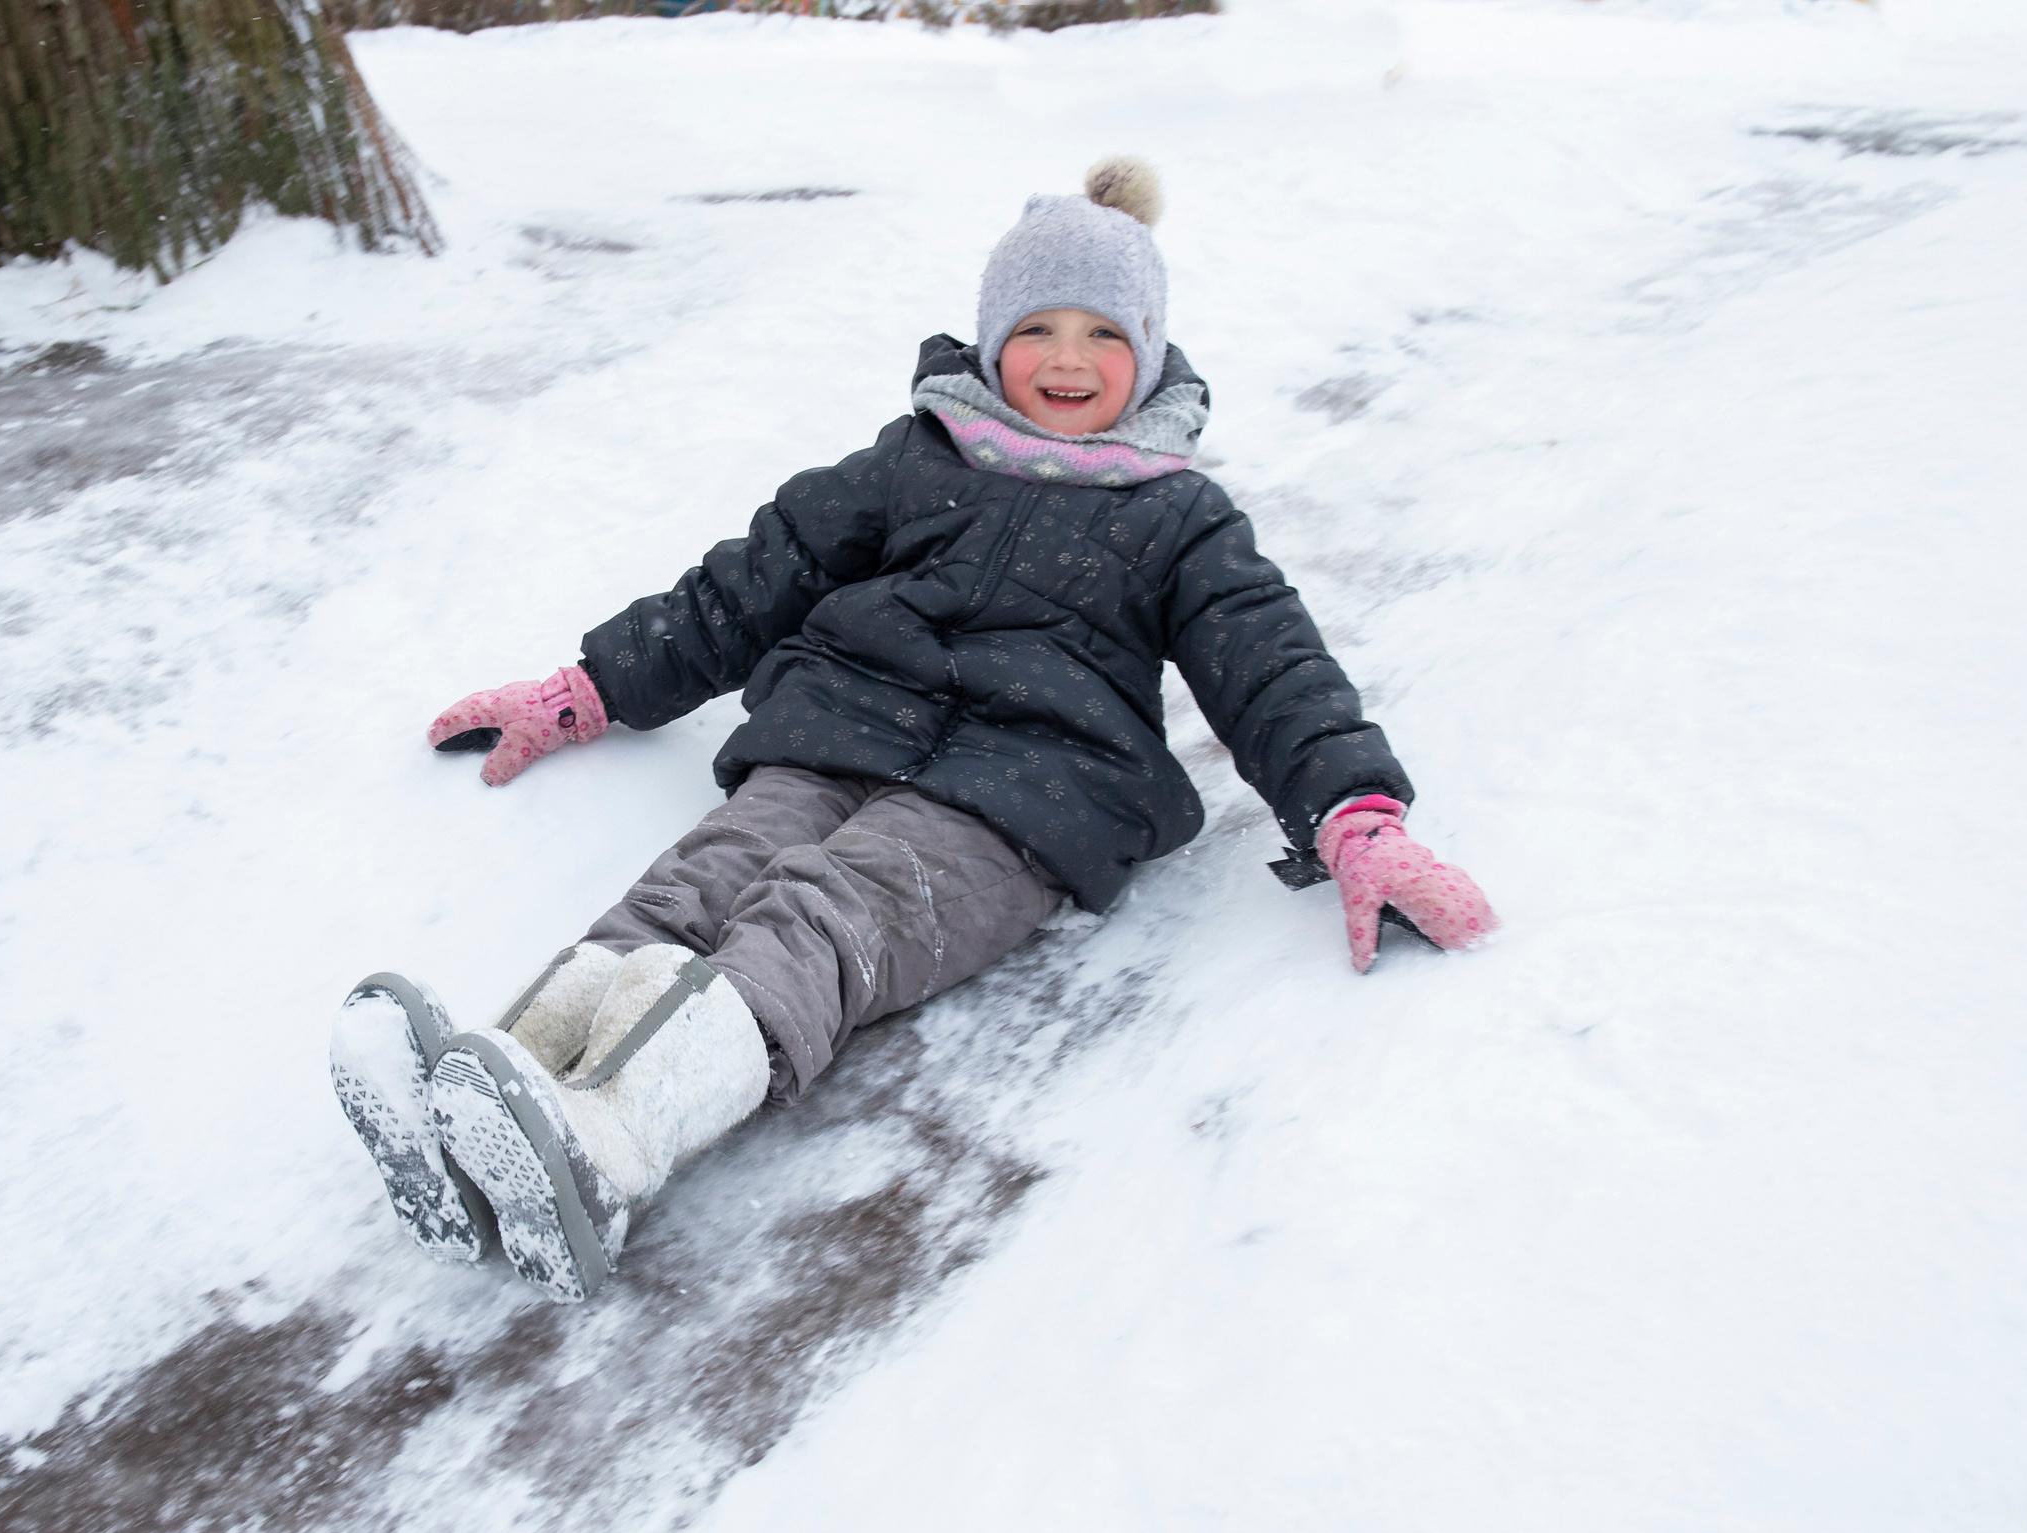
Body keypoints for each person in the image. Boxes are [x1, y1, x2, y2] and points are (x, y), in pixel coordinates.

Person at [330, 158, 1498, 1304]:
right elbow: (749, 584)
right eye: (1040, 330)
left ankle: (609, 1143)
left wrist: (1355, 819)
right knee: (696, 885)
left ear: (1147, 351)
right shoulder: (915, 461)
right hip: (837, 733)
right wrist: (590, 686)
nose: (1070, 361)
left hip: (1026, 800)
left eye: (1104, 335)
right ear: (993, 340)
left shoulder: (1177, 516)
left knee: (824, 915)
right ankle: (501, 1090)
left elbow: (1270, 664)